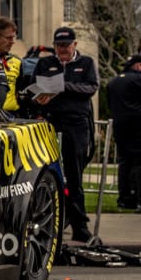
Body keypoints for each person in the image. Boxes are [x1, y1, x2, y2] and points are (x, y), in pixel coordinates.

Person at [28, 27, 99, 243]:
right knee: (45, 171)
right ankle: (46, 220)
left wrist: (64, 87)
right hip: (51, 120)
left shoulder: (86, 63)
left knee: (74, 175)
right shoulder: (45, 63)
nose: (63, 50)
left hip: (77, 124)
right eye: (59, 46)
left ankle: (79, 225)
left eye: (66, 46)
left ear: (74, 45)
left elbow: (91, 87)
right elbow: (33, 88)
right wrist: (39, 106)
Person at [107, 54, 141, 213]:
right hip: (139, 126)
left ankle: (125, 198)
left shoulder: (114, 81)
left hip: (120, 126)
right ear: (139, 66)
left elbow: (110, 103)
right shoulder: (140, 80)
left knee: (124, 163)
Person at [0, 16, 21, 113]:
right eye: (9, 38)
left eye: (13, 38)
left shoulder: (17, 61)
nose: (12, 42)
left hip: (13, 115)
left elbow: (20, 91)